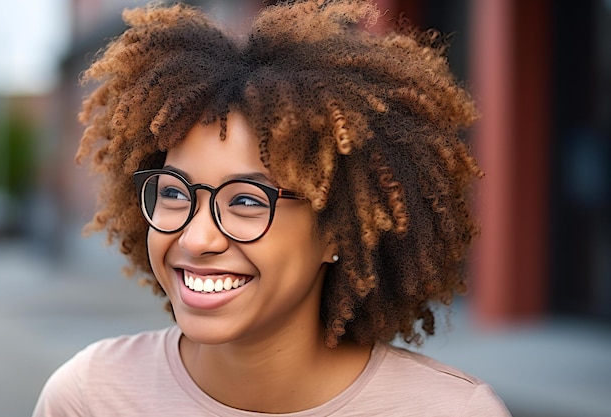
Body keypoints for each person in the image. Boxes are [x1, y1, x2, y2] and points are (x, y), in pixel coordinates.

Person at [33, 1, 511, 415]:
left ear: (336, 232)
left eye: (245, 200)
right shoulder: (90, 399)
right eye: (174, 193)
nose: (196, 239)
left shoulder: (452, 412)